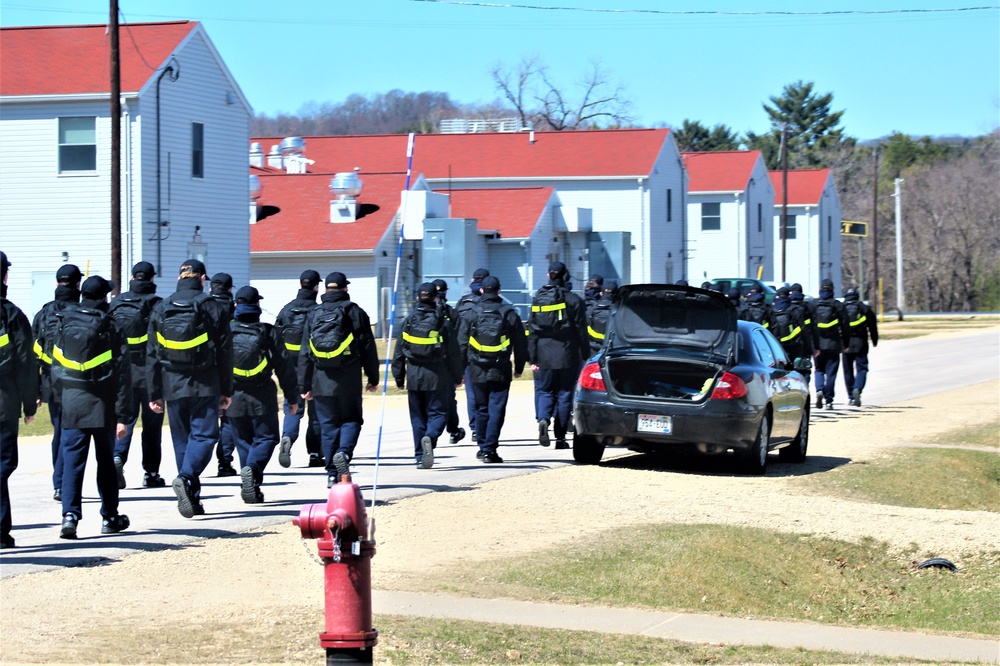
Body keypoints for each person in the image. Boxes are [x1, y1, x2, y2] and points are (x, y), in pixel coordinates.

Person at [147, 259, 233, 518]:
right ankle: (185, 478)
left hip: (172, 383)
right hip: (205, 383)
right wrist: (227, 390)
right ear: (203, 279)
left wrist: (154, 392)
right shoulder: (211, 306)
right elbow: (226, 352)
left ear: (179, 277)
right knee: (205, 437)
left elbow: (152, 353)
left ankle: (192, 497)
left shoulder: (162, 306)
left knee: (182, 441)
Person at [51, 276, 133, 539]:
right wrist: (123, 416)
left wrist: (61, 397)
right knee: (105, 464)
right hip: (102, 404)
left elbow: (55, 366)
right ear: (104, 298)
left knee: (73, 462)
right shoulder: (111, 325)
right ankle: (109, 517)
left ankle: (69, 517)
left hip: (73, 402)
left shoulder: (66, 320)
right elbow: (122, 376)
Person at [298, 272, 379, 487]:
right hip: (348, 379)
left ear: (325, 290)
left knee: (328, 425)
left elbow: (305, 351)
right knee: (351, 420)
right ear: (346, 289)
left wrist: (304, 385)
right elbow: (368, 348)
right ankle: (343, 454)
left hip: (320, 380)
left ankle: (332, 474)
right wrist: (373, 377)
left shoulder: (314, 312)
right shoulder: (354, 312)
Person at [227, 286, 298, 503]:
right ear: (257, 305)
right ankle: (252, 471)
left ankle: (251, 483)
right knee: (267, 438)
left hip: (232, 395)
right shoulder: (269, 332)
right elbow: (284, 367)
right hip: (262, 394)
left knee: (243, 441)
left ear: (236, 305)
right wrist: (292, 397)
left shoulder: (225, 332)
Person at [391, 282, 464, 468]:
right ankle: (430, 439)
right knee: (439, 413)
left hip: (414, 375)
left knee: (417, 417)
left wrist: (399, 377)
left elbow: (399, 351)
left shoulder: (408, 321)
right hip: (436, 375)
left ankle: (419, 456)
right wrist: (457, 376)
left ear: (417, 298)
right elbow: (454, 353)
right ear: (435, 298)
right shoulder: (443, 322)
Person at [458, 276, 527, 463]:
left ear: (481, 290)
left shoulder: (471, 313)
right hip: (501, 368)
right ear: (499, 291)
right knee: (496, 408)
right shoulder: (509, 313)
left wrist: (460, 371)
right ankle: (489, 449)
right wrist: (520, 367)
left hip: (476, 368)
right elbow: (521, 343)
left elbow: (461, 343)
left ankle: (482, 447)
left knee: (481, 408)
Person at [108, 261, 165, 489]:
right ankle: (151, 473)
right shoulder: (158, 305)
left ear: (133, 277)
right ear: (152, 279)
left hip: (122, 373)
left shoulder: (116, 302)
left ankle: (117, 458)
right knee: (152, 427)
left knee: (124, 420)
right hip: (151, 373)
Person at [32, 263, 83, 502]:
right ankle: (66, 483)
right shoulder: (83, 312)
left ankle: (59, 484)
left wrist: (35, 388)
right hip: (76, 382)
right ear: (78, 284)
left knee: (59, 431)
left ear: (56, 284)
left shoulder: (43, 313)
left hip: (49, 381)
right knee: (71, 434)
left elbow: (34, 353)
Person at [527, 262, 589, 450]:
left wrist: (533, 357)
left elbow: (532, 329)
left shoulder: (538, 298)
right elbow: (581, 331)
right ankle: (560, 437)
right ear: (566, 276)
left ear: (548, 275)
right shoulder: (574, 300)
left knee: (546, 390)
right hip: (567, 354)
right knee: (564, 394)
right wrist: (585, 354)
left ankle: (544, 419)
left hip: (544, 353)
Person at [0, 252, 39, 548]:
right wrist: (29, 404)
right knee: (3, 463)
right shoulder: (12, 315)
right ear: (5, 277)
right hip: (4, 401)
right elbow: (26, 364)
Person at [274, 269, 324, 469]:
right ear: (316, 286)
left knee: (292, 410)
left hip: (290, 368)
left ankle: (287, 438)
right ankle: (314, 453)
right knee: (316, 414)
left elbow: (276, 338)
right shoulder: (318, 310)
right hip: (313, 367)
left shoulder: (286, 309)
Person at [454, 268, 490, 440]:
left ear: (472, 279)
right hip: (490, 354)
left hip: (468, 354)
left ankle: (475, 427)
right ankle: (486, 427)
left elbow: (457, 331)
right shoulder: (490, 301)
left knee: (472, 393)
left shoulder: (462, 302)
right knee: (490, 393)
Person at [208, 273, 237, 477]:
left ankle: (194, 461)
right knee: (228, 419)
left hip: (206, 369)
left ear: (211, 288)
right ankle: (224, 462)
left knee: (204, 417)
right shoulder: (234, 308)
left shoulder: (204, 306)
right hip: (231, 367)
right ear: (230, 289)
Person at [432, 278, 466, 445]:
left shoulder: (418, 314)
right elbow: (457, 344)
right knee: (449, 399)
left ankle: (428, 431)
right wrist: (458, 372)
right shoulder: (451, 314)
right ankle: (453, 430)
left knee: (429, 401)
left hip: (425, 366)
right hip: (446, 365)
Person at [812, 278, 850, 410]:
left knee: (818, 370)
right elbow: (845, 326)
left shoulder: (814, 304)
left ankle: (819, 390)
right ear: (832, 290)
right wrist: (846, 343)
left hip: (817, 344)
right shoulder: (838, 305)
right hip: (833, 344)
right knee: (831, 372)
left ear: (820, 289)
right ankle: (829, 400)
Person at [841, 287, 879, 406]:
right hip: (861, 342)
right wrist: (874, 339)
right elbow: (873, 325)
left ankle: (851, 397)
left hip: (845, 343)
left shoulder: (841, 308)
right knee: (862, 368)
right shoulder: (864, 308)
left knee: (848, 370)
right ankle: (858, 388)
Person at [768, 286, 813, 367]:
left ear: (777, 296)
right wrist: (808, 350)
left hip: (776, 348)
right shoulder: (795, 310)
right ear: (789, 296)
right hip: (794, 347)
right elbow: (804, 330)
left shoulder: (770, 311)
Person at [788, 282, 818, 385]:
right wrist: (814, 347)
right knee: (805, 369)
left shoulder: (788, 307)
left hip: (790, 345)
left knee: (791, 370)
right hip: (805, 344)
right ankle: (804, 389)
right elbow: (814, 327)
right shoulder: (808, 307)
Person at [585, 280, 617, 356]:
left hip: (593, 349)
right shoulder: (619, 311)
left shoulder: (590, 310)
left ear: (601, 293)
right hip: (613, 349)